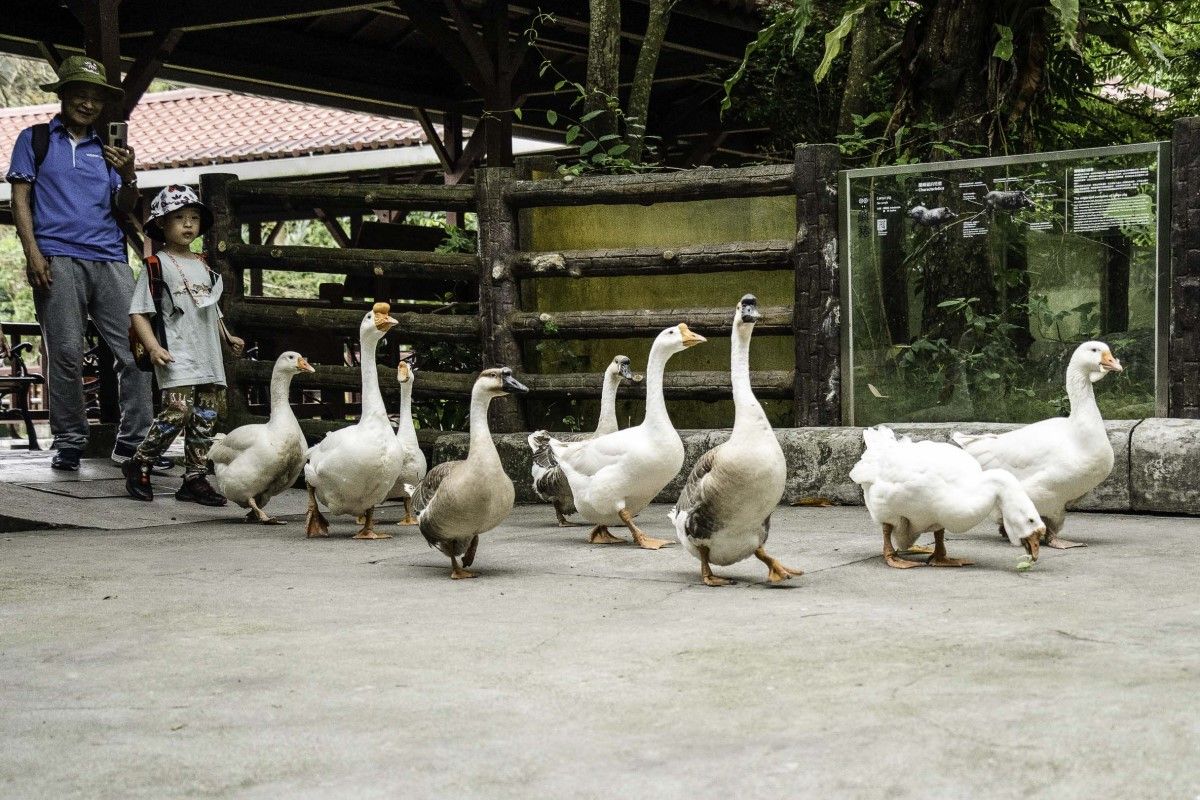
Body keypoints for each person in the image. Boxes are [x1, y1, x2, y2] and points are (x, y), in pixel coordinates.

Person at [5, 55, 163, 472]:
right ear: (63, 96)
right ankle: (71, 440)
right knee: (66, 353)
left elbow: (125, 207)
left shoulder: (108, 150)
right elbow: (20, 198)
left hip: (110, 259)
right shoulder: (35, 139)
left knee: (135, 351)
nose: (88, 104)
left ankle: (134, 443)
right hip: (56, 258)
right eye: (80, 94)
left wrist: (129, 175)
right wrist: (32, 253)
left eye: (95, 98)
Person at [123, 185, 244, 505]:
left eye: (193, 218)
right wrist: (152, 347)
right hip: (176, 354)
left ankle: (194, 477)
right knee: (176, 411)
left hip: (208, 355)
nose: (188, 224)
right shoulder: (156, 265)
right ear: (162, 223)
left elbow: (210, 306)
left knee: (205, 416)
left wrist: (227, 336)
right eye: (179, 218)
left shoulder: (203, 264)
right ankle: (140, 462)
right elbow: (138, 313)